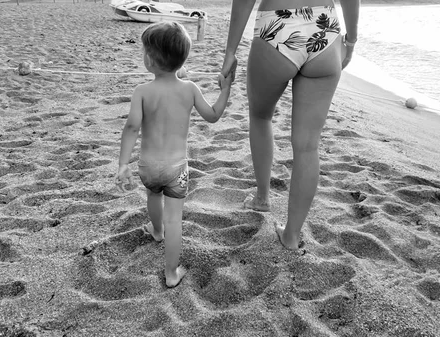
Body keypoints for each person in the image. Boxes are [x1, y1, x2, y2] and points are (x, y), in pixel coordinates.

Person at [220, 0, 360, 250]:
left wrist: (231, 51)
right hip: (324, 28)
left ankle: (262, 198)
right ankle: (292, 236)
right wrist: (351, 39)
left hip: (277, 26)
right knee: (308, 146)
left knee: (261, 117)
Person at [116, 21, 236, 287]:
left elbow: (132, 127)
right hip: (176, 169)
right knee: (175, 219)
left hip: (148, 165)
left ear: (149, 60)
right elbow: (213, 116)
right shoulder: (190, 89)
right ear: (182, 60)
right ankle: (171, 273)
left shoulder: (142, 92)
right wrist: (225, 89)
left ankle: (156, 231)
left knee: (152, 196)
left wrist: (123, 163)